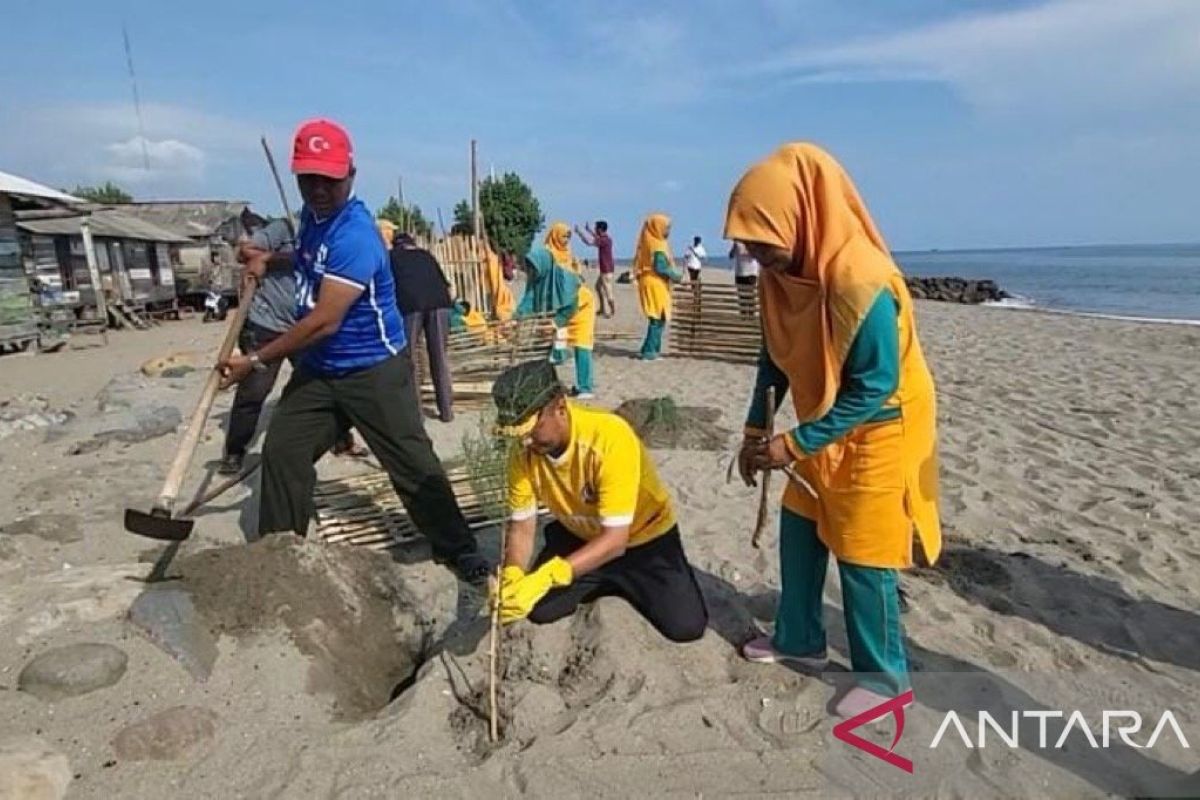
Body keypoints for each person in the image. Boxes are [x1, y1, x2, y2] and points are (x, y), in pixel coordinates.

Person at [217, 118, 489, 584]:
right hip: (322, 371)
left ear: (351, 175)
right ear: (296, 176)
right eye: (310, 178)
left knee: (410, 460)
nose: (319, 189)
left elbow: (324, 321)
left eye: (330, 179)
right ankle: (280, 553)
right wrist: (269, 259)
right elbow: (305, 257)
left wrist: (256, 361)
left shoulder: (357, 234)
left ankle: (459, 549)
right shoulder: (313, 223)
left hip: (373, 369)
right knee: (284, 449)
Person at [725, 142, 941, 717]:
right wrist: (755, 431)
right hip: (826, 414)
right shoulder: (781, 273)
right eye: (742, 238)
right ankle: (800, 637)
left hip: (881, 422)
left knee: (864, 552)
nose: (747, 251)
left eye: (757, 237)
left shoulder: (859, 278)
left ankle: (885, 678)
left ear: (796, 218)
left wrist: (792, 442)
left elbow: (874, 386)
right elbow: (774, 357)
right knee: (800, 522)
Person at [490, 360, 708, 642]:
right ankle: (598, 575)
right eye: (518, 435)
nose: (526, 442)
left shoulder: (609, 438)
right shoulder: (522, 454)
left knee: (685, 627)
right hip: (580, 535)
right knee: (540, 611)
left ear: (559, 406)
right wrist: (514, 574)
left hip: (642, 539)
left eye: (533, 429)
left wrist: (548, 576)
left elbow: (616, 541)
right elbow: (522, 526)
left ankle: (629, 579)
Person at [390, 232, 455, 423]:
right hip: (440, 303)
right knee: (439, 356)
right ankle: (446, 411)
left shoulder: (392, 258)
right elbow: (446, 285)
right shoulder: (426, 255)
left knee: (409, 357)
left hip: (411, 304)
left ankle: (417, 414)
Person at [515, 247, 596, 398]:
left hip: (581, 306)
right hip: (563, 310)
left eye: (533, 266)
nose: (531, 270)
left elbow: (572, 303)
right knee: (557, 340)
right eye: (529, 267)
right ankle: (553, 375)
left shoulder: (563, 278)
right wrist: (516, 317)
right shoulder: (538, 279)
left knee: (581, 344)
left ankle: (586, 387)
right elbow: (529, 300)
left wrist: (556, 322)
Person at [632, 213, 683, 360]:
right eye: (666, 228)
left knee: (657, 317)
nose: (668, 231)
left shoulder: (649, 240)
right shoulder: (657, 245)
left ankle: (650, 348)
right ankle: (650, 351)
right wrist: (676, 276)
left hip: (650, 281)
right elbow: (660, 267)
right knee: (658, 317)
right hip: (655, 283)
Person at [575, 220, 616, 318]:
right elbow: (596, 237)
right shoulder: (606, 238)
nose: (595, 229)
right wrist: (588, 230)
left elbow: (589, 242)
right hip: (606, 269)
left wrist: (579, 233)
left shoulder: (603, 240)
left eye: (596, 228)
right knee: (598, 287)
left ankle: (612, 311)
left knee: (608, 291)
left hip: (606, 270)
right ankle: (602, 308)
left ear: (600, 229)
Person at [730, 240, 761, 318]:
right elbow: (731, 255)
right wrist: (734, 247)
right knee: (742, 295)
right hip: (740, 272)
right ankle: (743, 314)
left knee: (750, 294)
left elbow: (757, 255)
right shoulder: (737, 242)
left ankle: (750, 314)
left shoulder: (753, 241)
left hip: (751, 272)